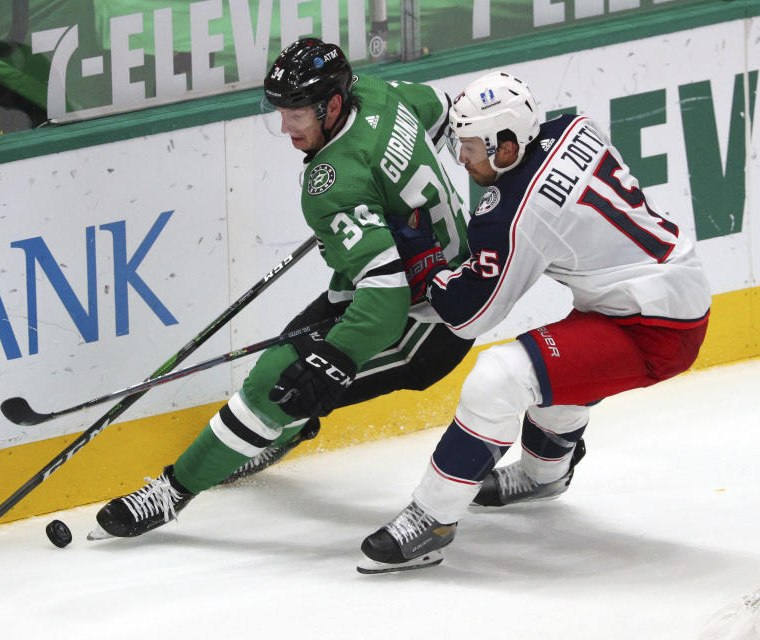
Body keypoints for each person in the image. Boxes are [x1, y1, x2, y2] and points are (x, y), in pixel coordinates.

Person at [90, 38, 476, 540]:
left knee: (275, 383)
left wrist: (334, 359)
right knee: (294, 344)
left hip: (428, 326)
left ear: (333, 105)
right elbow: (447, 113)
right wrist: (384, 204)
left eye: (296, 115)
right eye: (281, 112)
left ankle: (170, 493)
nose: (285, 127)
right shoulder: (383, 95)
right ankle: (284, 426)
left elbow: (385, 305)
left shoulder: (330, 183)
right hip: (438, 277)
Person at [356, 71, 711, 574]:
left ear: (507, 143)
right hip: (657, 292)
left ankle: (431, 520)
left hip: (656, 328)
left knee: (499, 378)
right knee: (551, 365)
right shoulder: (572, 126)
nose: (463, 158)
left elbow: (470, 315)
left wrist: (427, 264)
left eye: (473, 147)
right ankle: (545, 477)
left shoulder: (514, 214)